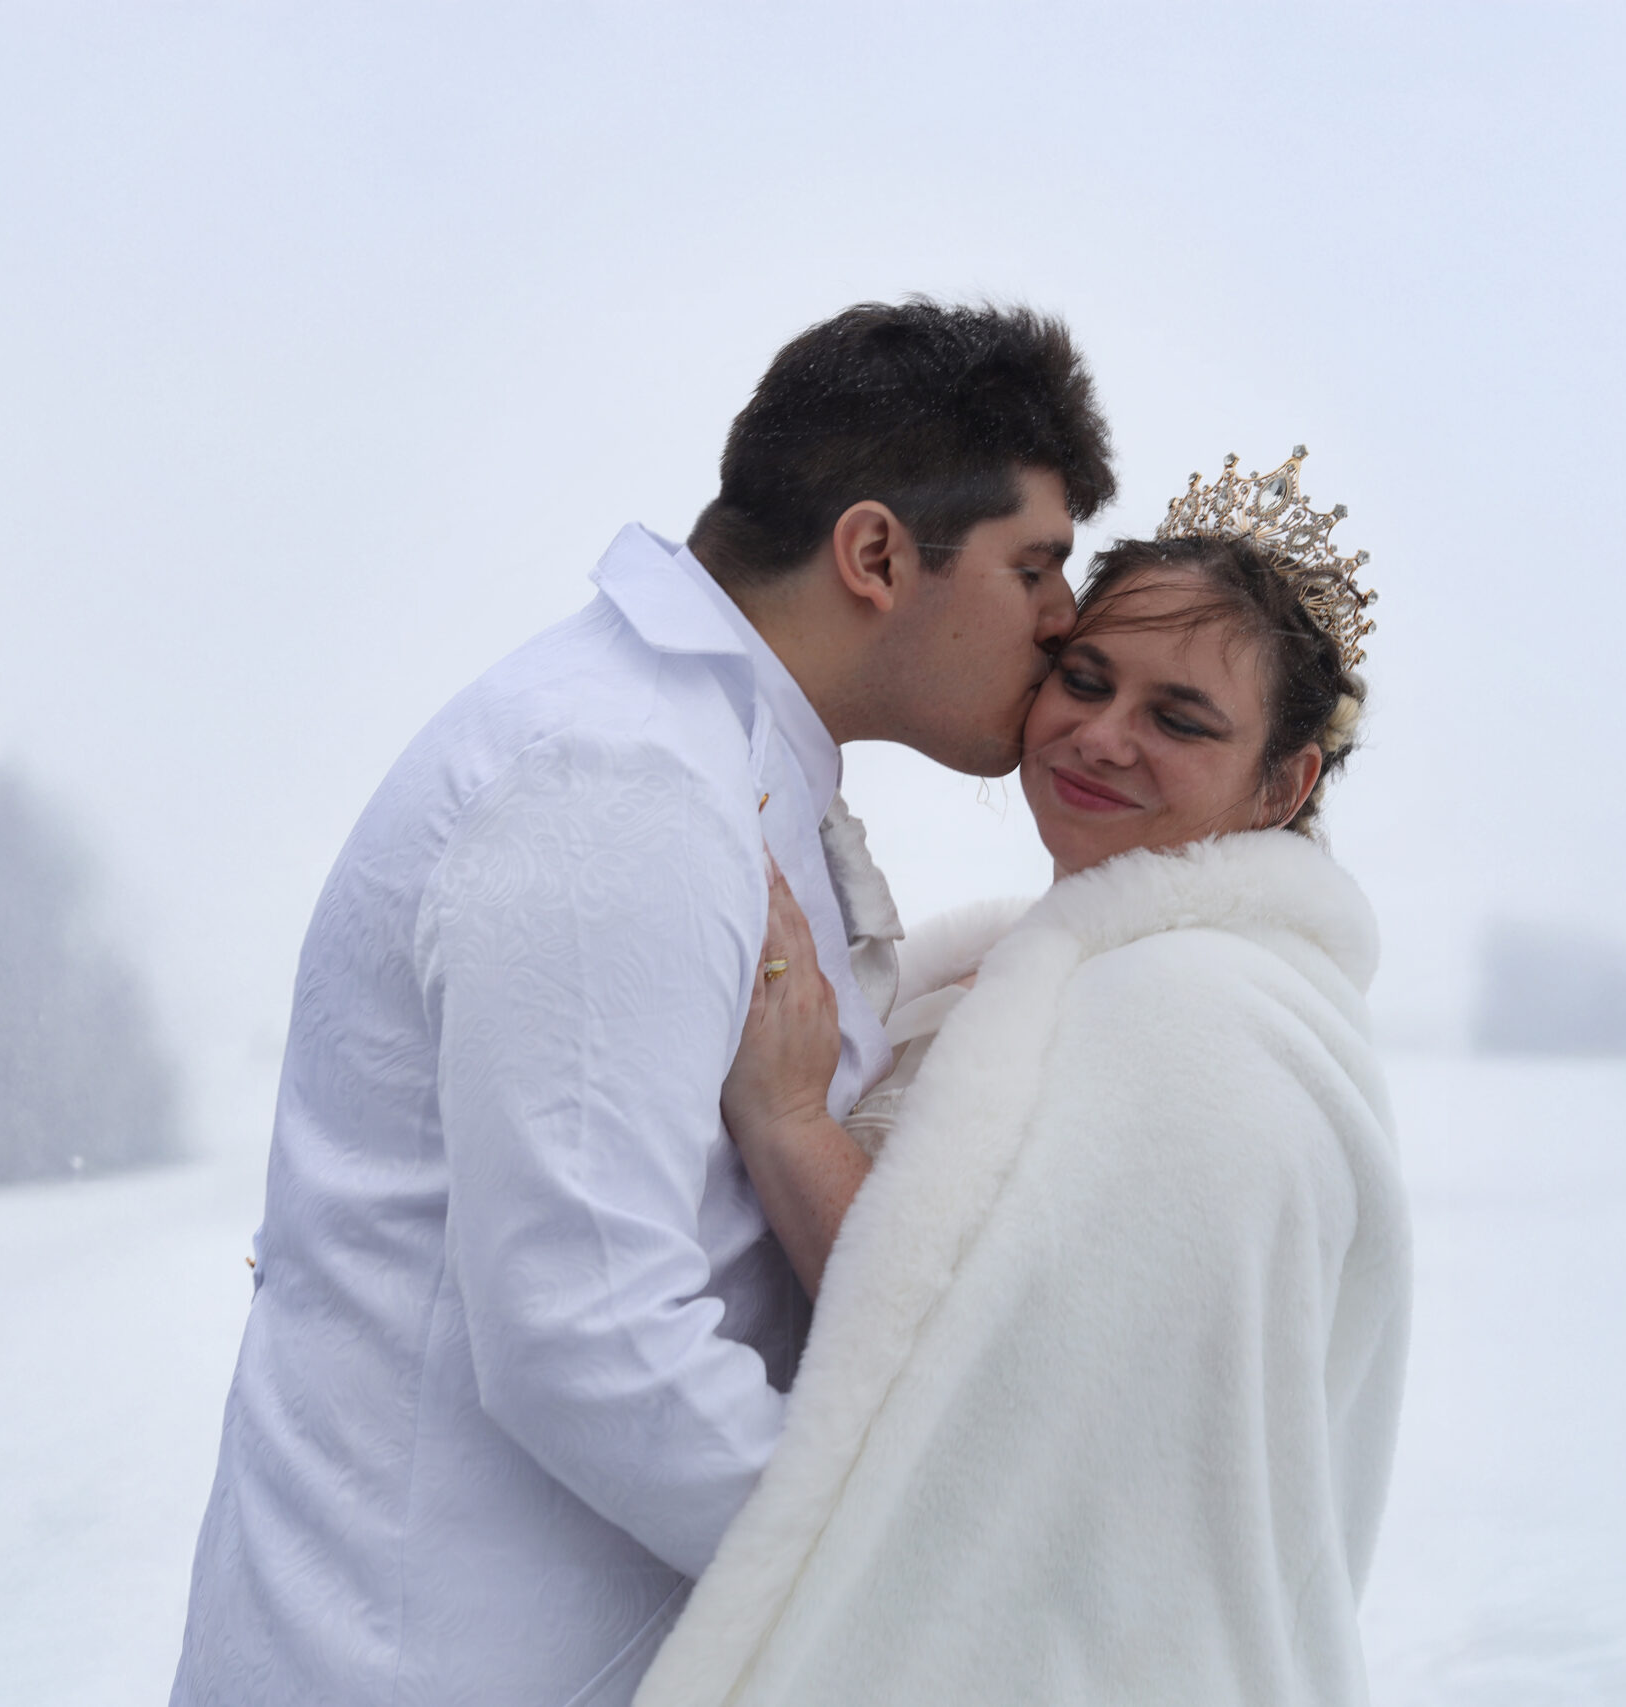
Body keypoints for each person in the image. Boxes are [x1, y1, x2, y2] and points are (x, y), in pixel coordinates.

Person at [168, 300, 1116, 1707]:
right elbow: (589, 1335)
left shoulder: (704, 750)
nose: (1063, 620)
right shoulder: (614, 780)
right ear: (874, 553)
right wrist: (915, 1582)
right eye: (1035, 565)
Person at [635, 450, 1410, 1707]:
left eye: (1179, 718)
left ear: (1284, 784)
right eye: (1085, 678)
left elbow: (969, 1364)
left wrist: (785, 1119)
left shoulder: (1194, 1021)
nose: (1101, 736)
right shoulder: (1025, 978)